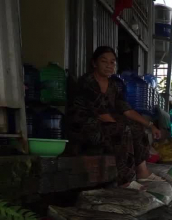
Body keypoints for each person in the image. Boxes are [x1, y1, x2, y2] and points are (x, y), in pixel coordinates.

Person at [67, 46, 163, 190]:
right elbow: (102, 114)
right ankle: (126, 181)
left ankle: (143, 172)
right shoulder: (87, 82)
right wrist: (126, 126)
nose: (109, 66)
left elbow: (127, 110)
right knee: (123, 129)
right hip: (83, 128)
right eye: (104, 61)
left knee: (135, 126)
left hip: (102, 124)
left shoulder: (113, 85)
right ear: (94, 63)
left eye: (112, 62)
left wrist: (150, 125)